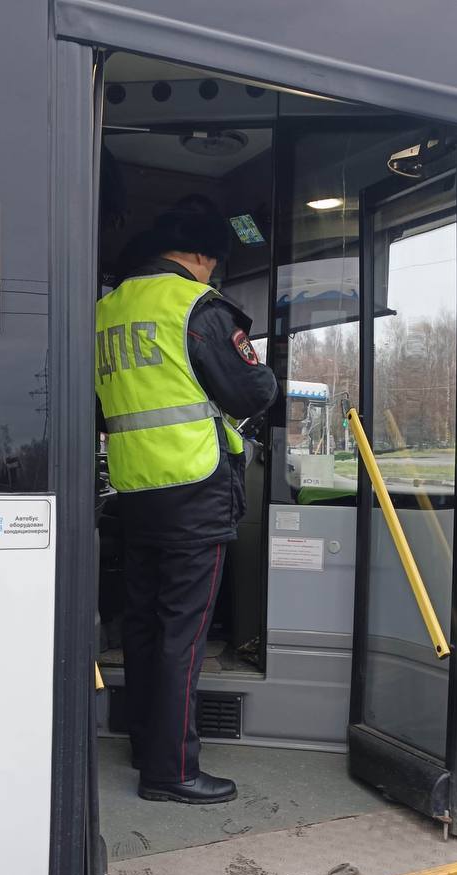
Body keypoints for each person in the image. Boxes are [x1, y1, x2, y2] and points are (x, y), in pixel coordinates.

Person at [95, 204, 277, 804]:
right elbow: (250, 389)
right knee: (185, 635)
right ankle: (171, 771)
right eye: (214, 265)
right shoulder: (195, 307)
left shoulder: (108, 308)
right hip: (194, 490)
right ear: (200, 257)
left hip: (134, 489)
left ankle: (149, 740)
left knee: (146, 627)